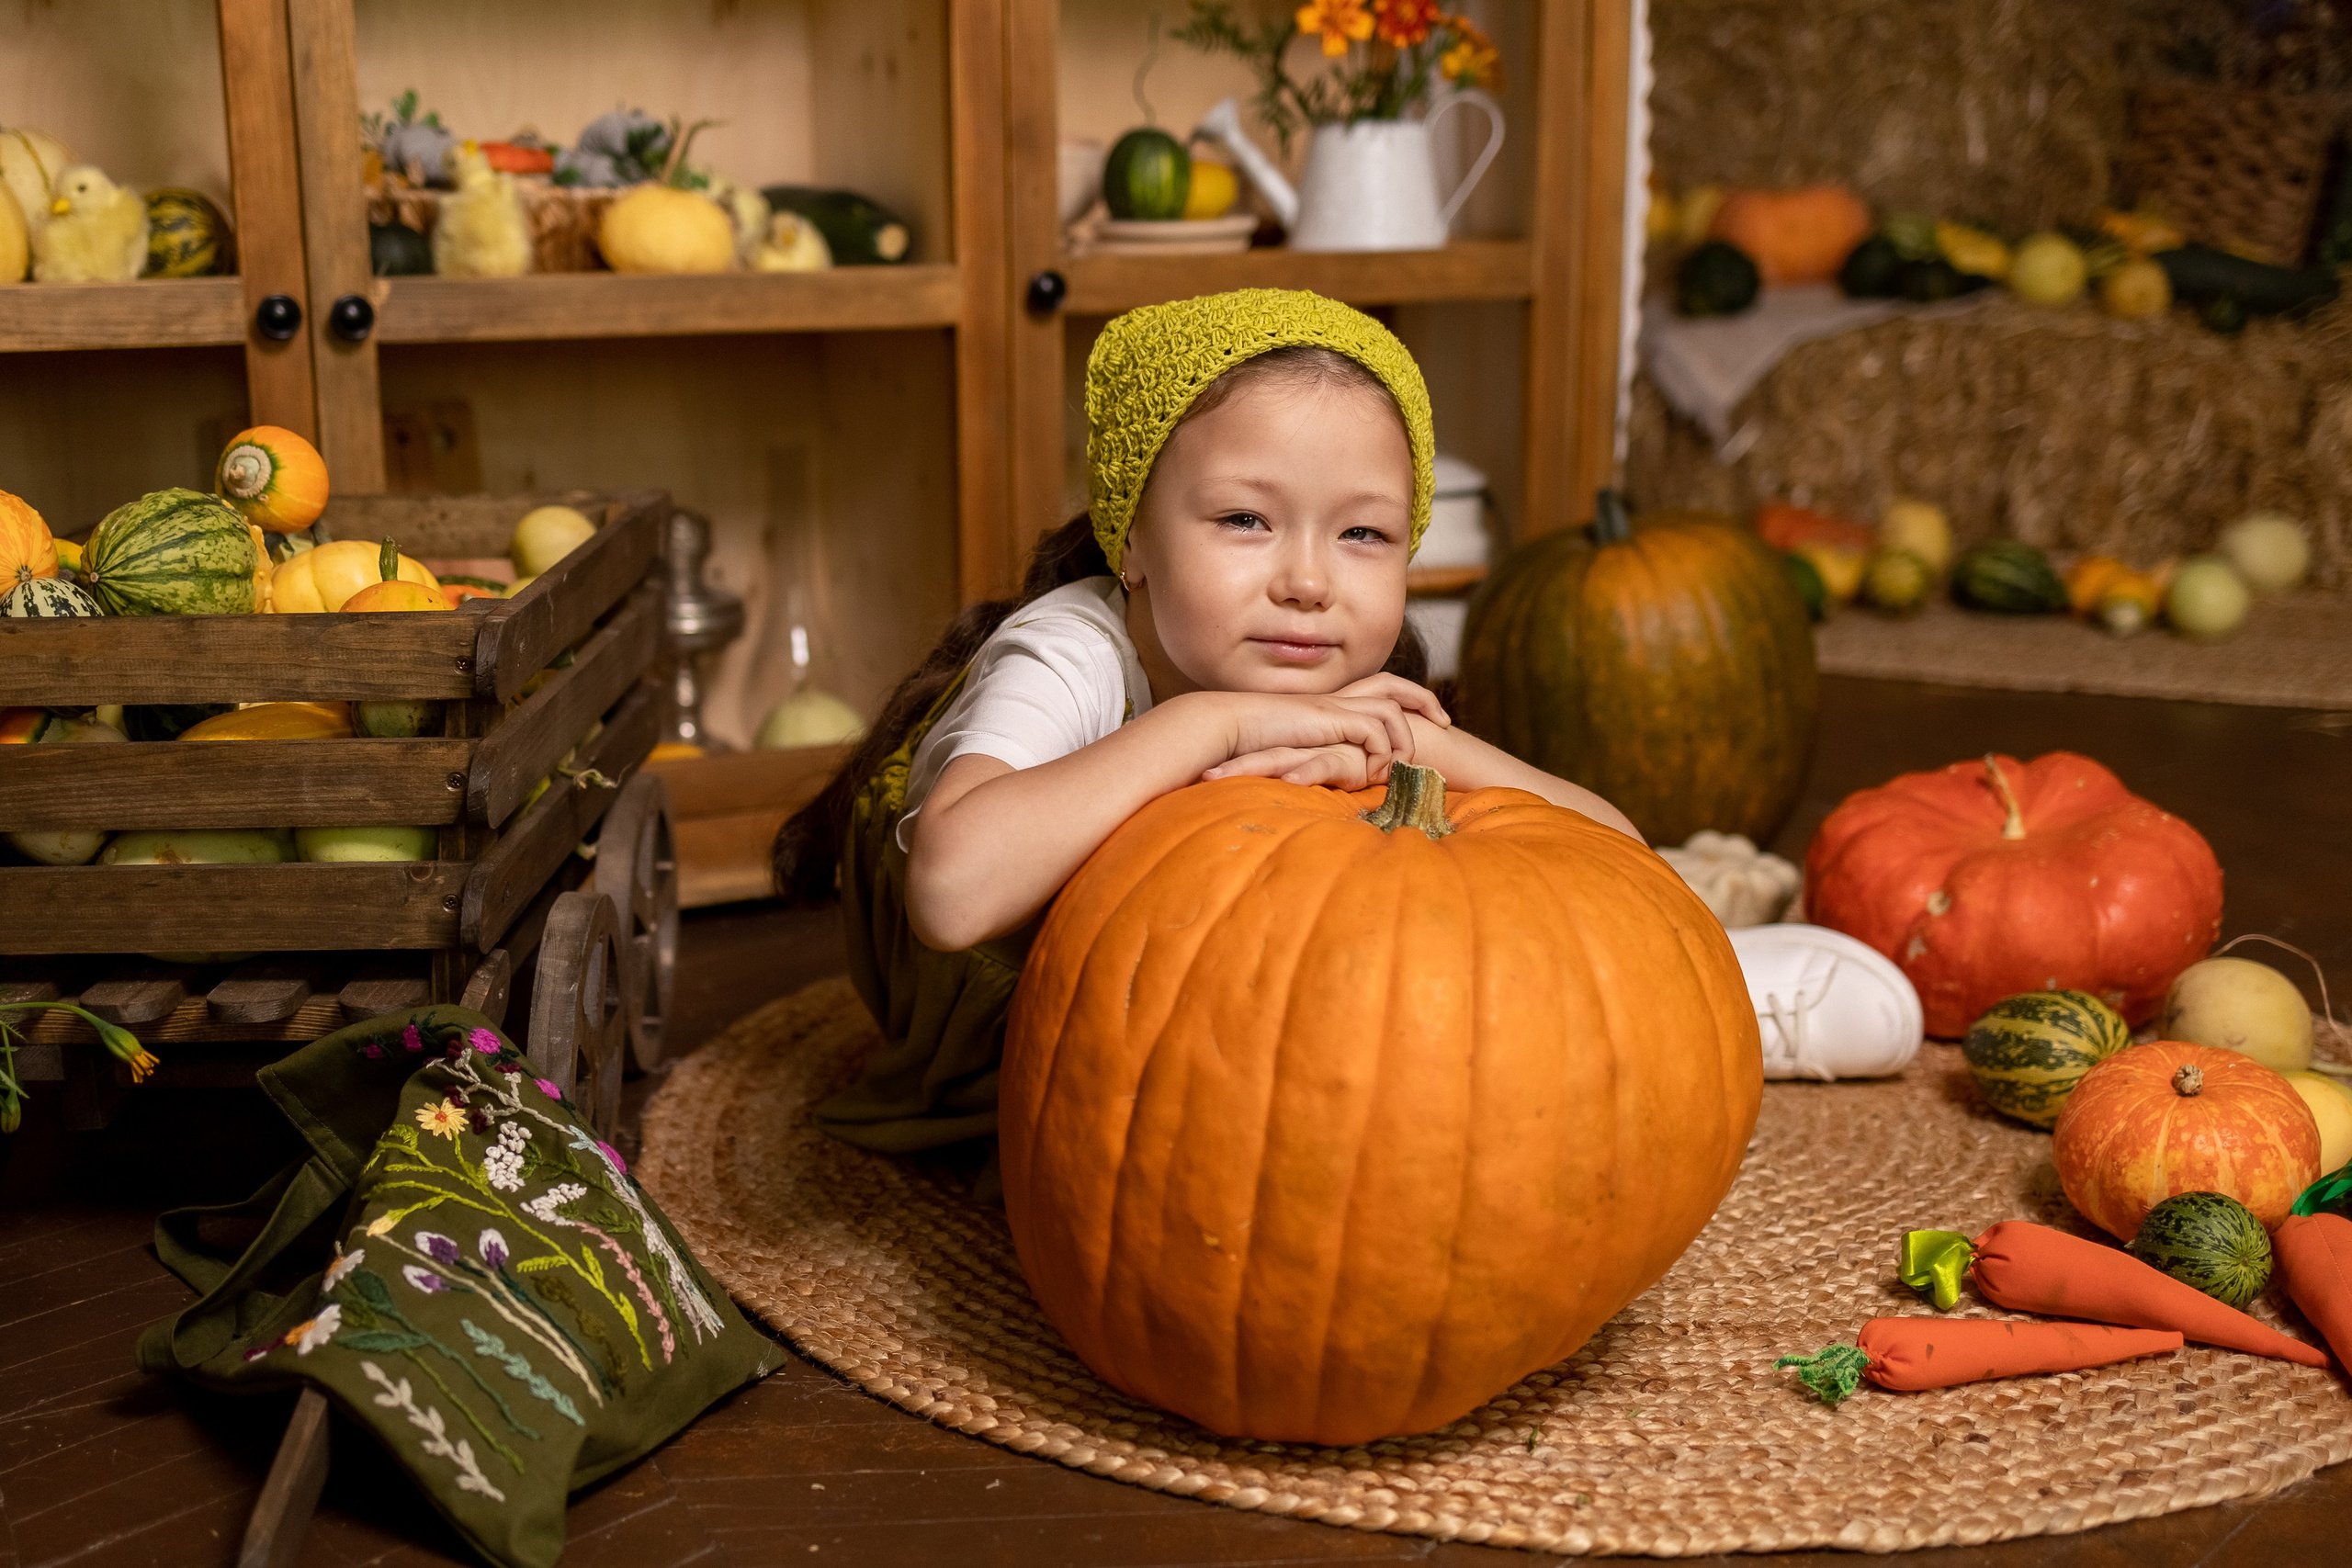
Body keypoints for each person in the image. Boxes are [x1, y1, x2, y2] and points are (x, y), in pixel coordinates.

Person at [775, 288, 1639, 1156]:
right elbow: (953, 895)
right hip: (1000, 1041)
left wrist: (1425, 741)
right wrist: (1213, 725)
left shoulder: (1337, 671)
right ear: (1132, 543)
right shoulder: (1069, 653)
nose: (1308, 580)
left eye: (1364, 534)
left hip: (1180, 1012)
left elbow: (1625, 867)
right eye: (1245, 519)